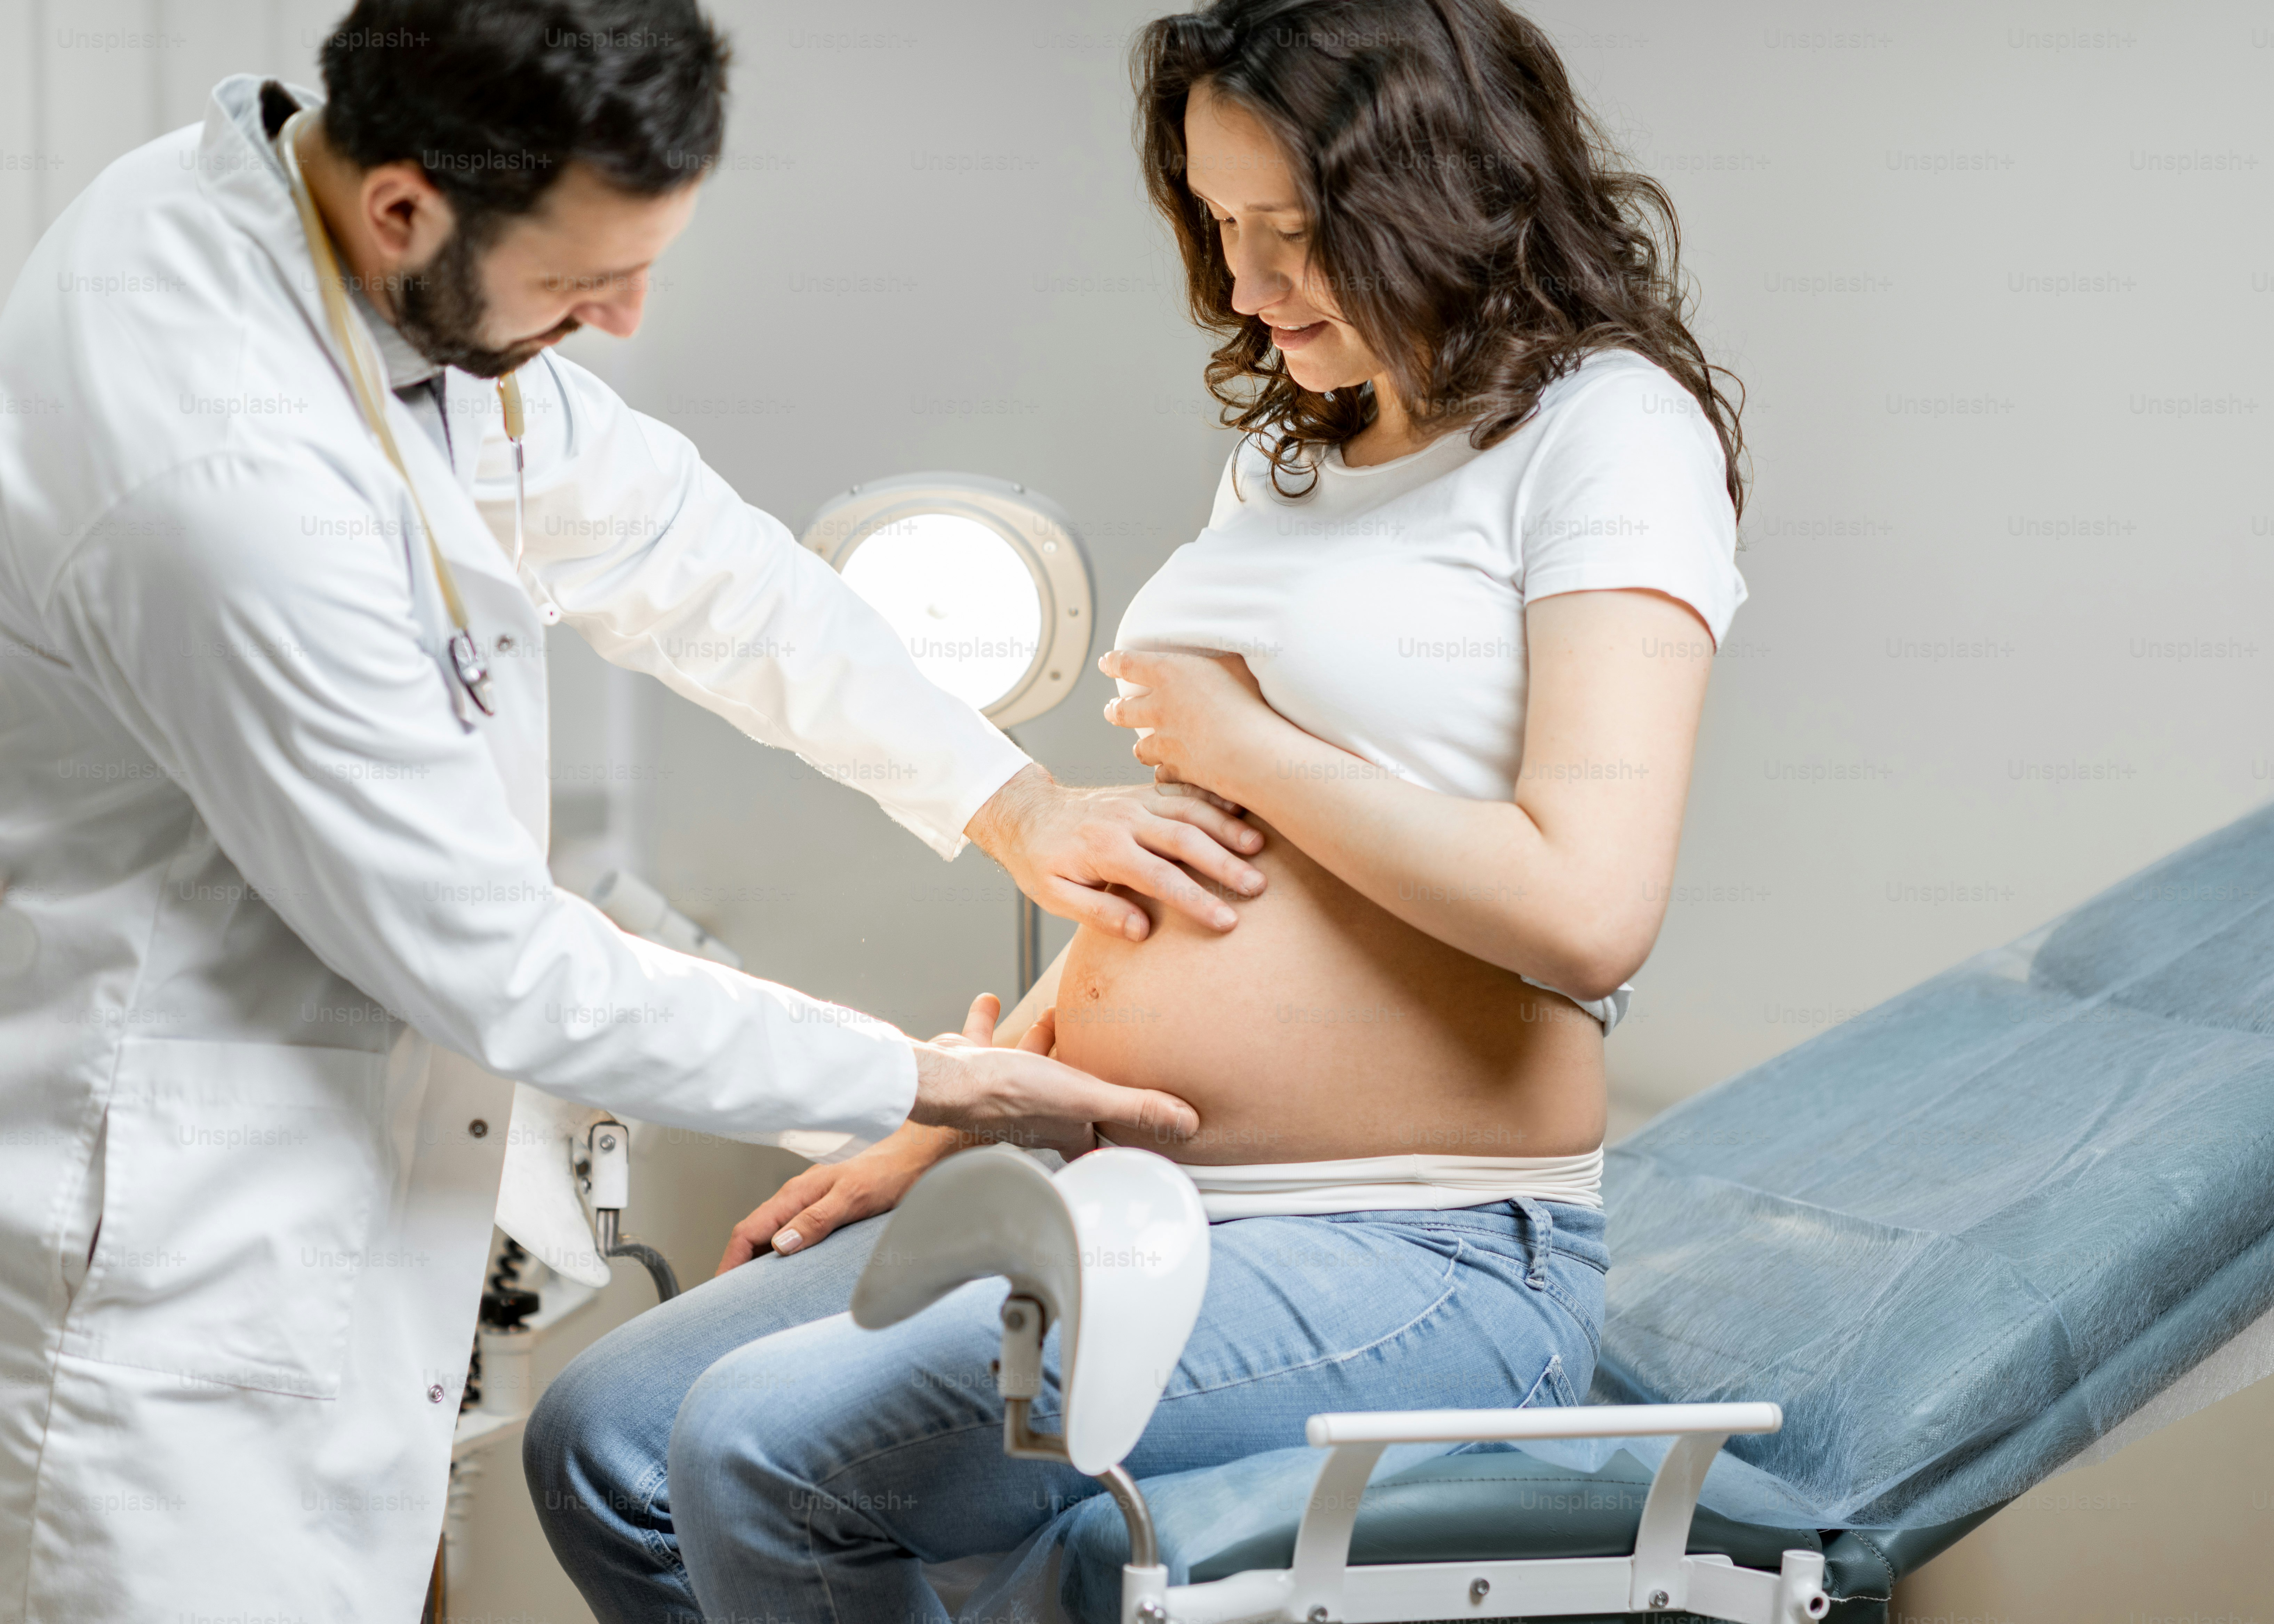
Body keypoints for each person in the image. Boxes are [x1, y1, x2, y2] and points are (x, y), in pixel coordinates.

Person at [0, 1, 1272, 1616]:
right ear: (406, 208)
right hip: (179, 1260)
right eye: (584, 280)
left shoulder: (373, 272)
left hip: (327, 1195)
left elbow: (675, 547)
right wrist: (927, 1083)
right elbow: (499, 964)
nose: (623, 314)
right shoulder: (219, 470)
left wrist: (1003, 792)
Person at [524, 2, 1753, 1619]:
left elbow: (1589, 905)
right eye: (1221, 226)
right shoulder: (1300, 449)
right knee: (603, 1436)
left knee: (765, 1442)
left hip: (1428, 1242)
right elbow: (1189, 844)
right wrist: (961, 1102)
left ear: (1440, 193)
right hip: (1123, 1189)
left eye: (1295, 233)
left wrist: (1241, 740)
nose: (1244, 286)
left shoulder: (1608, 430)